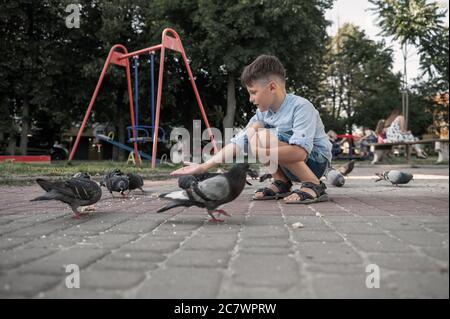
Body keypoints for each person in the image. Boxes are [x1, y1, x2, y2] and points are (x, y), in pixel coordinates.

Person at [170, 55, 332, 204]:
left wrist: (259, 149)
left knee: (259, 136)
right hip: (289, 165)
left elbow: (300, 153)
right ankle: (282, 182)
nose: (251, 99)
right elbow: (237, 144)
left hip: (315, 162)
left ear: (272, 87)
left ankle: (313, 184)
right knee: (254, 132)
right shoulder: (261, 114)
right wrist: (204, 167)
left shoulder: (301, 107)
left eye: (253, 92)